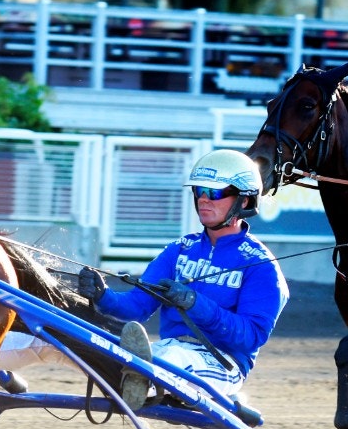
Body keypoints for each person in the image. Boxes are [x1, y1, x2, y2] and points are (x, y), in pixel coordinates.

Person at [77, 149, 289, 409]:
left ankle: (143, 381)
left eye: (215, 193)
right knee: (114, 350)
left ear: (244, 201)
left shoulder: (261, 265)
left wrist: (194, 303)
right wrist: (103, 296)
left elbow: (251, 337)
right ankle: (141, 378)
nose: (203, 199)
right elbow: (137, 307)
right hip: (167, 350)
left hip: (223, 362)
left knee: (171, 358)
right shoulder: (180, 249)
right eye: (199, 191)